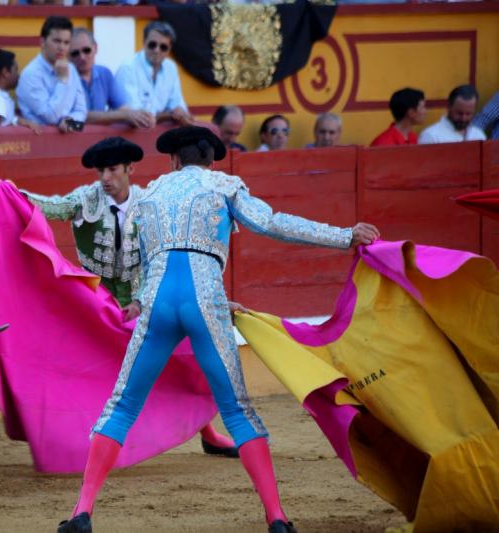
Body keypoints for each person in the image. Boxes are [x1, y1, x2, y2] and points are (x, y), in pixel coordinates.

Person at [56, 126, 380, 533]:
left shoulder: (151, 193)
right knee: (237, 410)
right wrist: (344, 236)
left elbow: (151, 260)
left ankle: (82, 513)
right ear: (210, 161)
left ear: (174, 160)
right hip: (202, 298)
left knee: (122, 405)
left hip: (157, 302)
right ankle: (277, 519)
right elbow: (272, 224)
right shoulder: (224, 185)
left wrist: (143, 300)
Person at [20, 136, 240, 458]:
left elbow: (156, 256)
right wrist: (15, 195)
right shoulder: (86, 200)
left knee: (181, 360)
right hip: (95, 303)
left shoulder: (150, 200)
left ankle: (207, 431)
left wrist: (140, 300)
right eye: (100, 172)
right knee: (77, 364)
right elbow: (51, 207)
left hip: (143, 298)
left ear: (129, 169)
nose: (105, 179)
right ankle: (66, 436)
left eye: (112, 170)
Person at [69, 28, 154, 128]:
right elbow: (77, 117)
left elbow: (122, 108)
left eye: (86, 50)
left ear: (95, 48)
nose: (82, 57)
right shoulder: (64, 78)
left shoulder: (104, 74)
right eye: (75, 53)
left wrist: (141, 117)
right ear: (67, 55)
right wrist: (124, 115)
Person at [16, 16, 87, 132]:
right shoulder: (30, 74)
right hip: (39, 145)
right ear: (43, 42)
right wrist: (63, 81)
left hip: (69, 144)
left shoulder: (71, 68)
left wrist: (71, 122)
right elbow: (51, 118)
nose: (62, 47)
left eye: (66, 42)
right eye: (57, 41)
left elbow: (81, 110)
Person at [115, 21, 193, 126]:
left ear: (169, 49)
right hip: (128, 134)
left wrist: (180, 112)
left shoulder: (171, 68)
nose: (157, 50)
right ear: (144, 42)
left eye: (163, 47)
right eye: (152, 45)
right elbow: (137, 116)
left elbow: (177, 103)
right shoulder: (128, 68)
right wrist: (171, 114)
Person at [0, 49, 41, 133]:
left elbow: (6, 121)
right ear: (5, 73)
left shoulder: (0, 97)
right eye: (16, 70)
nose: (18, 75)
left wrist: (18, 121)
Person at [419, 85, 486, 144]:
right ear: (448, 107)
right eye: (459, 113)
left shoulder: (478, 135)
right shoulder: (431, 136)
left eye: (468, 114)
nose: (463, 118)